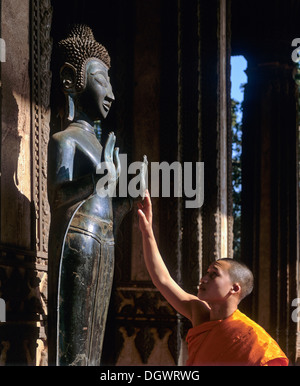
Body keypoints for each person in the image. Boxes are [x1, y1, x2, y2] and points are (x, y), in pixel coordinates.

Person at [137, 192, 289, 366]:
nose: (203, 279)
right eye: (206, 273)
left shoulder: (254, 340)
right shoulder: (199, 312)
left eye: (213, 274)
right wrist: (147, 231)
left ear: (235, 288)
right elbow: (162, 279)